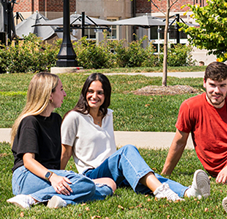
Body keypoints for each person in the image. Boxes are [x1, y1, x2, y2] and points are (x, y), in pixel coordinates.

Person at [60, 72, 211, 202]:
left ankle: (189, 192)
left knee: (146, 175)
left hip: (115, 171)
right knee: (127, 151)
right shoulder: (74, 117)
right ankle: (161, 191)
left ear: (106, 95)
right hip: (93, 174)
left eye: (100, 92)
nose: (94, 96)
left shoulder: (108, 115)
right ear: (84, 92)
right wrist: (56, 179)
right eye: (90, 91)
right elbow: (65, 153)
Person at [7, 72, 116, 210]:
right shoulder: (30, 122)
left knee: (109, 184)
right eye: (61, 89)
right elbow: (28, 161)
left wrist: (58, 176)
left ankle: (61, 200)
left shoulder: (56, 120)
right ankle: (30, 198)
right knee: (87, 185)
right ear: (50, 95)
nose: (64, 94)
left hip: (49, 175)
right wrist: (53, 176)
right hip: (26, 177)